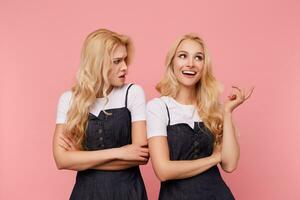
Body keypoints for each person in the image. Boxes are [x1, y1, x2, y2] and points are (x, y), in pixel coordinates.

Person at [146, 33, 253, 200]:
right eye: (183, 56)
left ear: (205, 66)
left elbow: (230, 164)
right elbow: (163, 171)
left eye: (198, 58)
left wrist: (227, 112)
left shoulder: (214, 109)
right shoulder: (158, 107)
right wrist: (214, 158)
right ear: (172, 62)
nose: (190, 64)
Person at [53, 28, 149, 200]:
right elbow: (61, 160)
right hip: (86, 193)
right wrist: (120, 152)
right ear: (98, 63)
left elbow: (140, 155)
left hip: (128, 192)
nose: (125, 67)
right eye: (117, 61)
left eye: (125, 60)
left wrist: (81, 159)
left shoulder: (133, 93)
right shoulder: (68, 100)